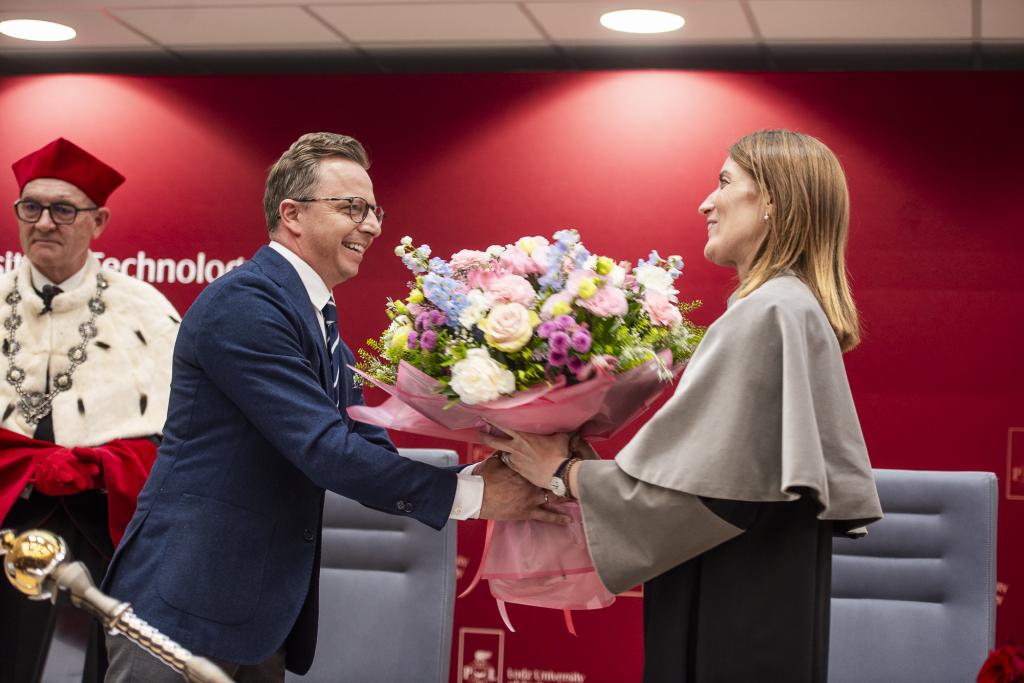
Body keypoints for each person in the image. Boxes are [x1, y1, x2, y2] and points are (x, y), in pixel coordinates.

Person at [102, 132, 564, 682]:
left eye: (374, 211)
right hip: (186, 604)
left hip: (258, 617)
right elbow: (325, 450)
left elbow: (364, 443)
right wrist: (477, 498)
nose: (372, 226)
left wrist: (481, 473)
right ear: (292, 215)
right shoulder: (245, 304)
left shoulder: (314, 317)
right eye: (352, 208)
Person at [481, 129, 884, 682]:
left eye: (724, 181)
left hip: (730, 613)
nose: (705, 202)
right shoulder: (794, 308)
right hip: (765, 603)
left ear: (771, 200)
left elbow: (710, 502)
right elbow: (725, 483)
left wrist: (563, 472)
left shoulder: (766, 314)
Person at [0, 137, 180, 683]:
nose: (44, 223)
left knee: (111, 665)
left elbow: (173, 435)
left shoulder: (144, 309)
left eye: (63, 209)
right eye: (31, 207)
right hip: (6, 517)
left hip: (106, 523)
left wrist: (103, 465)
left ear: (98, 221)